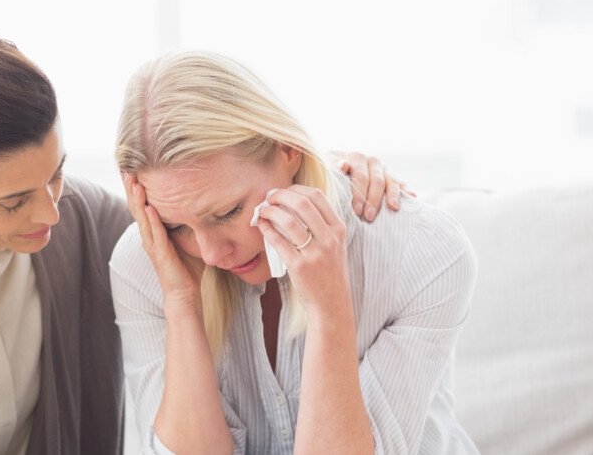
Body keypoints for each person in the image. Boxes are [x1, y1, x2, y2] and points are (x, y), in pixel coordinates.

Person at [0, 28, 407, 455]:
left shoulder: (80, 223)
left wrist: (330, 177)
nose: (50, 210)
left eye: (57, 173)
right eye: (13, 200)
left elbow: (201, 212)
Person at [111, 50, 479, 454]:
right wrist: (181, 303)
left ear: (287, 149)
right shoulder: (147, 262)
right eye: (176, 226)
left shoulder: (422, 251)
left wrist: (329, 306)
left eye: (227, 212)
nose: (211, 253)